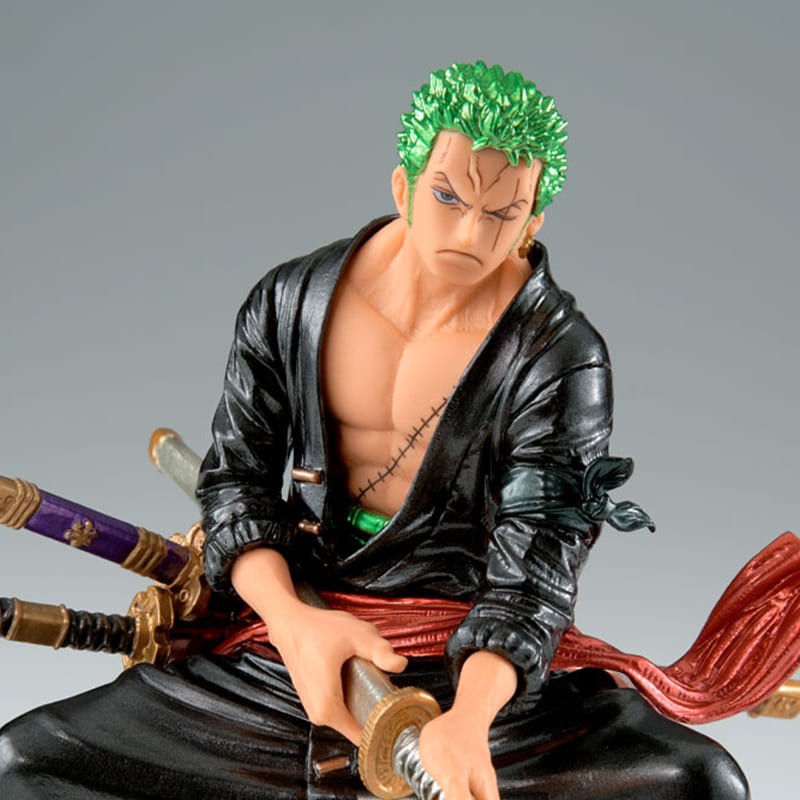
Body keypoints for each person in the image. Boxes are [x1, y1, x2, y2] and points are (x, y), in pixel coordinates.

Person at [0, 62, 749, 799]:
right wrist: (293, 622)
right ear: (403, 185)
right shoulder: (289, 302)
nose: (470, 232)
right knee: (29, 760)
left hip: (471, 661)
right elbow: (235, 487)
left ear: (533, 222)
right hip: (292, 644)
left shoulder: (559, 356)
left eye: (501, 214)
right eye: (448, 196)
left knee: (697, 781)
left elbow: (536, 570)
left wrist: (468, 723)